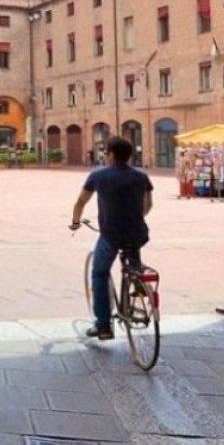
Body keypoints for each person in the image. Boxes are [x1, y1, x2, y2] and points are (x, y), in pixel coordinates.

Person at [69, 136, 153, 341]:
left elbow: (80, 201)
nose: (105, 156)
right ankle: (138, 280)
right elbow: (148, 204)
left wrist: (76, 222)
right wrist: (135, 217)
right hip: (137, 232)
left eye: (106, 153)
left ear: (112, 155)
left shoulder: (98, 175)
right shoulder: (141, 177)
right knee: (133, 257)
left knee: (99, 274)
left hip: (111, 234)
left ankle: (103, 325)